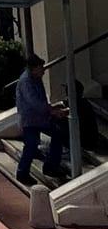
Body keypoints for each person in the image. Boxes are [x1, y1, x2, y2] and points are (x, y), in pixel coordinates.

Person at [15, 53, 69, 186]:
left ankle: (50, 166)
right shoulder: (26, 82)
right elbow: (35, 103)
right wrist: (53, 110)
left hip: (40, 117)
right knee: (31, 144)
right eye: (41, 67)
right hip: (30, 120)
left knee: (58, 133)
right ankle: (22, 172)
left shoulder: (36, 78)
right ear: (33, 68)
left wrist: (52, 109)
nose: (43, 70)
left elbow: (41, 101)